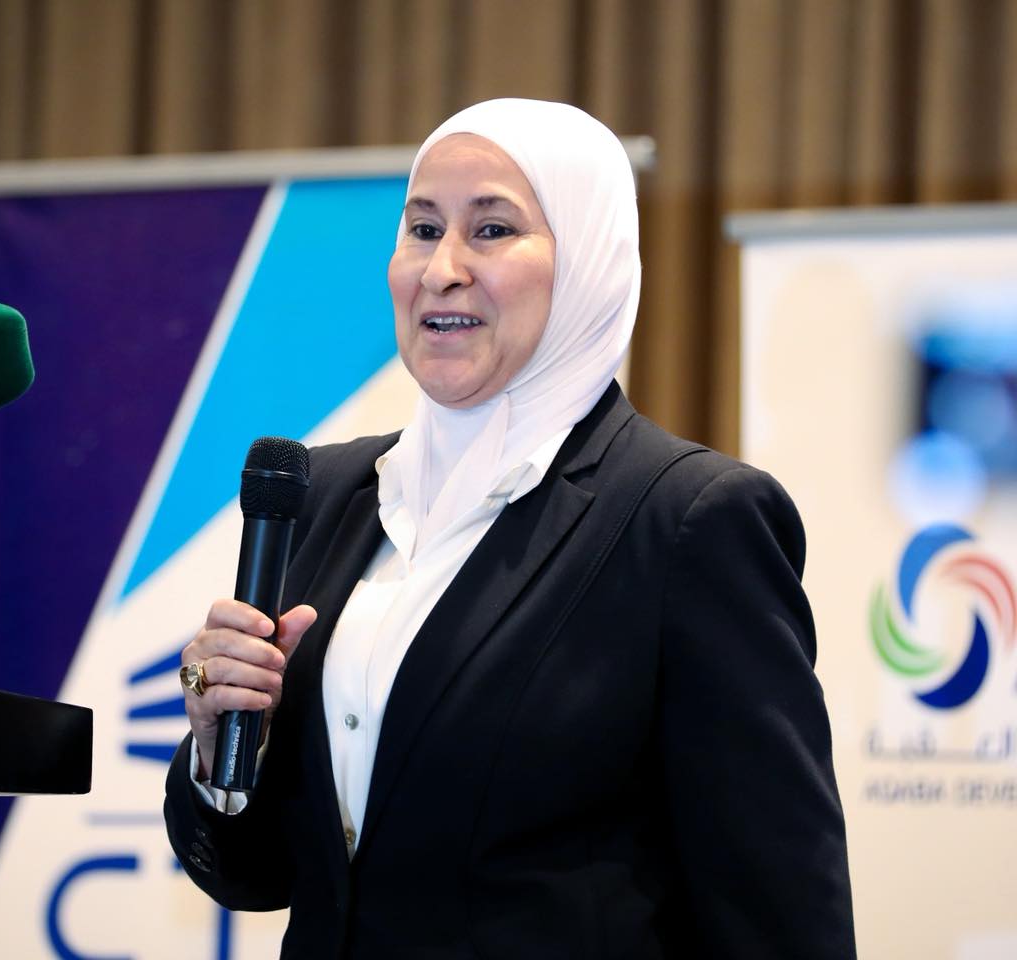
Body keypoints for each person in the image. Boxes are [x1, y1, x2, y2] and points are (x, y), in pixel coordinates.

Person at [164, 99, 856, 959]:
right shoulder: (331, 491)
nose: (441, 269)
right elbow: (261, 876)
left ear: (589, 262)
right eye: (422, 229)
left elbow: (779, 909)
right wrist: (222, 751)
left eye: (492, 230)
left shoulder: (688, 520)